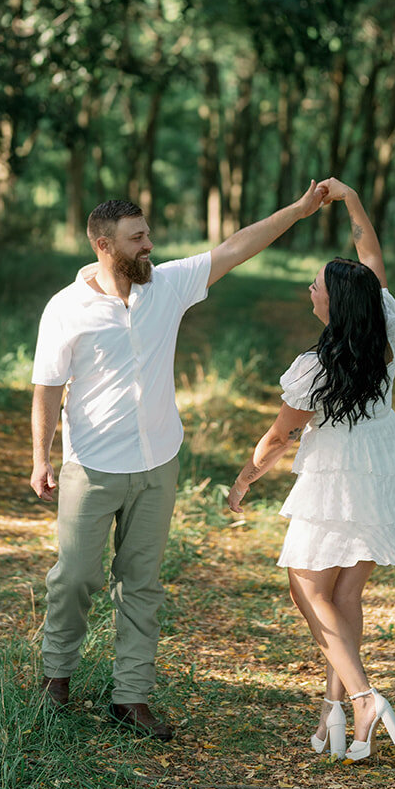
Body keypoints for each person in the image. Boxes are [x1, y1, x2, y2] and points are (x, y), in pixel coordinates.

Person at [30, 181, 328, 741]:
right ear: (102, 244)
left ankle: (131, 698)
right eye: (136, 238)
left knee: (140, 584)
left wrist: (302, 207)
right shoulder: (66, 309)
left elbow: (238, 247)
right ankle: (56, 678)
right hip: (91, 466)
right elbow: (46, 387)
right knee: (74, 576)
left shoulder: (164, 285)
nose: (148, 245)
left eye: (147, 234)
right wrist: (39, 458)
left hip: (158, 462)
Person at [226, 178, 395, 761]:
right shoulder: (384, 328)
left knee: (306, 584)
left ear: (332, 304)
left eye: (315, 283)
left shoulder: (314, 370)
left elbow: (278, 437)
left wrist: (245, 477)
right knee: (344, 597)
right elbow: (371, 256)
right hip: (383, 469)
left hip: (335, 483)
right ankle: (333, 714)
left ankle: (364, 699)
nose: (309, 287)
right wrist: (350, 201)